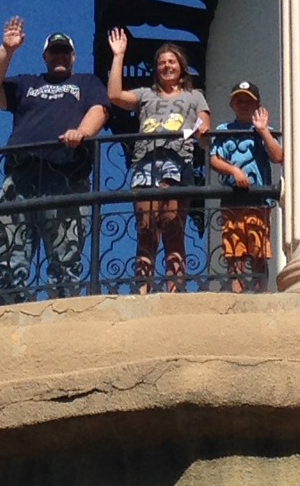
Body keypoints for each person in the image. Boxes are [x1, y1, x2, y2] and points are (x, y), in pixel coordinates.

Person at [0, 18, 108, 303]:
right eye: (54, 52)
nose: (60, 56)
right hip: (22, 177)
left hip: (66, 176)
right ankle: (10, 308)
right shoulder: (27, 83)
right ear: (45, 56)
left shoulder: (86, 83)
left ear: (73, 57)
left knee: (66, 255)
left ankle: (63, 312)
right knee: (11, 251)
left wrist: (82, 132)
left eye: (65, 52)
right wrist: (6, 51)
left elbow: (99, 109)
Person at [107, 30, 209, 293]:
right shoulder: (145, 95)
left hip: (177, 164)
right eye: (162, 62)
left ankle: (175, 291)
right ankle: (143, 290)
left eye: (172, 61)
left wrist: (191, 133)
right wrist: (119, 55)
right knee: (146, 229)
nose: (167, 66)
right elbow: (115, 95)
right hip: (145, 164)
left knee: (173, 227)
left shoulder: (194, 95)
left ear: (181, 67)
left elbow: (203, 123)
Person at [208, 84, 281, 292]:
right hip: (232, 198)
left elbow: (278, 156)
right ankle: (237, 294)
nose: (243, 105)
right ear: (232, 104)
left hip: (259, 200)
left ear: (258, 105)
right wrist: (234, 171)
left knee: (259, 250)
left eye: (248, 101)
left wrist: (263, 131)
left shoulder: (264, 131)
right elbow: (214, 159)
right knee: (234, 250)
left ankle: (261, 293)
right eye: (239, 101)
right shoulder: (224, 130)